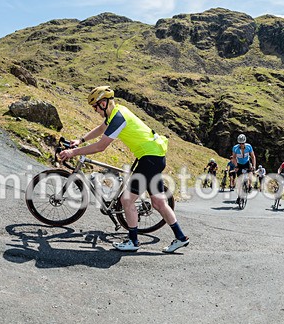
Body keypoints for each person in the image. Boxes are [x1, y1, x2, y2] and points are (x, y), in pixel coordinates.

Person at [58, 86, 189, 253]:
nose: (95, 110)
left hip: (149, 159)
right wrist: (80, 140)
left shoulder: (119, 117)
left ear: (104, 103)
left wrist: (72, 152)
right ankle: (181, 237)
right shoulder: (117, 112)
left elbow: (101, 147)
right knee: (158, 202)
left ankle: (133, 241)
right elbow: (101, 128)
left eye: (95, 107)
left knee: (126, 200)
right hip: (154, 156)